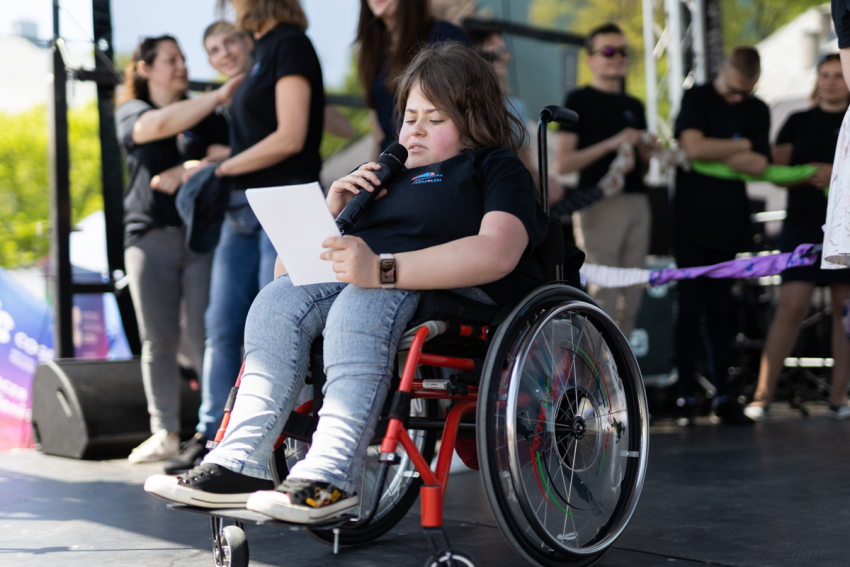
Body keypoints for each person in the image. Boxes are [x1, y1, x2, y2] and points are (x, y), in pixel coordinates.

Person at [143, 43, 549, 523]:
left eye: (435, 120)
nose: (414, 130)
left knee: (361, 297)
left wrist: (381, 270)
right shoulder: (382, 180)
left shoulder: (493, 166)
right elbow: (289, 278)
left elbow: (498, 252)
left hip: (449, 291)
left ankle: (333, 474)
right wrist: (333, 213)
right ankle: (239, 461)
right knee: (274, 302)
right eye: (409, 117)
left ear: (473, 121)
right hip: (372, 288)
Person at [164, 0, 327, 473]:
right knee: (221, 325)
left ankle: (271, 440)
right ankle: (213, 432)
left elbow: (292, 136)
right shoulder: (260, 55)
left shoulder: (291, 45)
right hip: (242, 204)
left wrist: (222, 167)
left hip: (284, 201)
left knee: (275, 326)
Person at [116, 36, 243, 463]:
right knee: (159, 339)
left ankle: (218, 429)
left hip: (199, 238)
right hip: (148, 237)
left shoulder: (205, 113)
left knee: (210, 333)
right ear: (144, 68)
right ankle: (165, 432)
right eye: (171, 59)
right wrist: (216, 99)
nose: (182, 65)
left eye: (183, 58)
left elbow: (228, 154)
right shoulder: (133, 111)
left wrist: (188, 167)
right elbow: (152, 127)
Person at [745, 54, 850, 421]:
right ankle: (761, 396)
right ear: (817, 79)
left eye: (838, 75)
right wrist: (808, 174)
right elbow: (775, 172)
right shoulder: (798, 121)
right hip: (802, 225)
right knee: (791, 306)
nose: (831, 81)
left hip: (844, 226)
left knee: (845, 312)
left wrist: (837, 173)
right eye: (824, 75)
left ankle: (839, 397)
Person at [673, 46, 771, 425]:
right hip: (691, 219)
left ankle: (724, 395)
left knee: (721, 311)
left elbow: (760, 163)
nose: (737, 98)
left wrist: (713, 151)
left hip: (729, 220)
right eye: (732, 90)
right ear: (720, 70)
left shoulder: (757, 110)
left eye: (744, 92)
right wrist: (740, 144)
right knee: (689, 306)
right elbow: (691, 147)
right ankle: (685, 395)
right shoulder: (696, 97)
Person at [554, 23, 653, 337]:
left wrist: (646, 151)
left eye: (623, 51)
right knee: (603, 295)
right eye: (608, 51)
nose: (617, 58)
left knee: (634, 295)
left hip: (637, 201)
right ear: (590, 60)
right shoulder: (578, 99)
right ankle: (597, 377)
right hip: (599, 204)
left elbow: (644, 170)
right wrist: (612, 143)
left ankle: (620, 376)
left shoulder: (633, 105)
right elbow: (564, 162)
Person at [356, 0, 469, 158]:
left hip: (437, 164)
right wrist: (373, 176)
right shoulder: (373, 52)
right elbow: (378, 133)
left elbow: (468, 115)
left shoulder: (444, 36)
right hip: (393, 164)